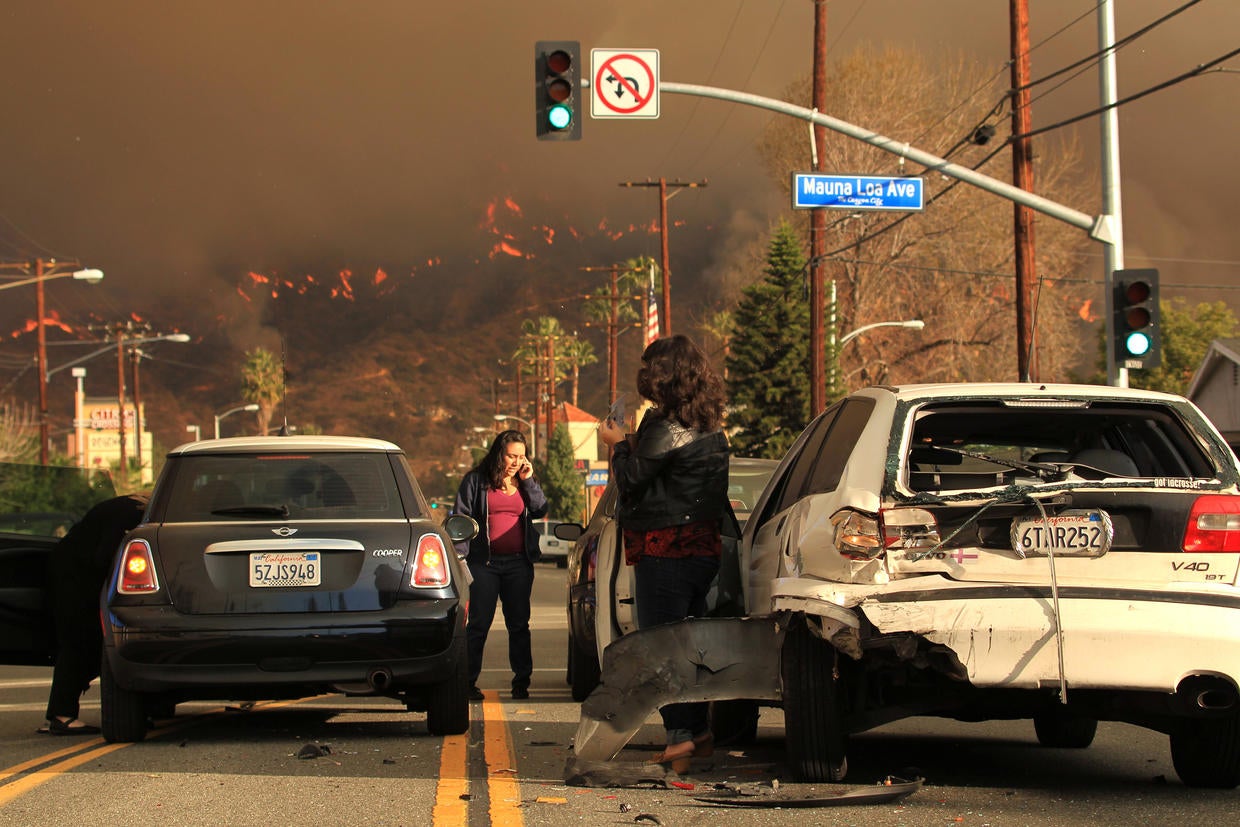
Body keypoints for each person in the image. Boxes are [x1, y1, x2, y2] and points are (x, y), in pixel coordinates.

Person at [598, 334, 731, 774]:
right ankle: (699, 732)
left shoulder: (663, 425)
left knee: (662, 649)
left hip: (664, 551)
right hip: (704, 551)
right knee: (692, 648)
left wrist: (616, 444)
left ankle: (679, 740)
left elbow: (632, 479)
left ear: (664, 376)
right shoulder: (711, 426)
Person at [39, 493, 148, 735]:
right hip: (75, 578)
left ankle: (62, 712)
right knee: (79, 641)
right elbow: (104, 556)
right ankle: (62, 715)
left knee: (88, 642)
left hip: (75, 571)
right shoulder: (132, 515)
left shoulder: (128, 506)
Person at [452, 430, 548, 701]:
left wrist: (528, 481)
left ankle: (521, 682)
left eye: (521, 456)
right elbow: (460, 520)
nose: (517, 461)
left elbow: (541, 509)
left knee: (518, 624)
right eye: (511, 455)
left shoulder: (524, 480)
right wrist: (461, 558)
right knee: (479, 624)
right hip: (484, 564)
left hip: (519, 564)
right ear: (499, 453)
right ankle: (467, 682)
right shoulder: (475, 481)